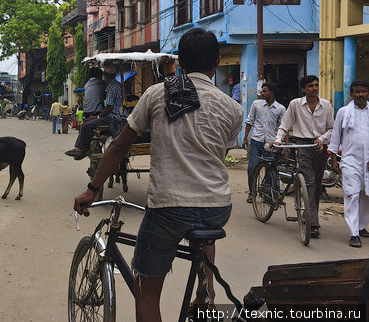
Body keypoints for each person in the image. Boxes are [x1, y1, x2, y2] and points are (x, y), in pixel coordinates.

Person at [74, 28, 243, 321]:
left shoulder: (156, 94)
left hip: (169, 206)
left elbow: (118, 147)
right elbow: (220, 151)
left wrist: (92, 188)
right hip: (217, 207)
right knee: (203, 233)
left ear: (179, 63)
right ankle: (206, 292)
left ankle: (203, 293)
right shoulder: (233, 108)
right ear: (217, 61)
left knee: (147, 291)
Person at [272, 75, 334, 239]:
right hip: (302, 146)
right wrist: (278, 141)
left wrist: (321, 140)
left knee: (317, 183)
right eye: (310, 86)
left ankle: (309, 214)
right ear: (304, 89)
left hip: (320, 147)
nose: (314, 88)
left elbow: (331, 129)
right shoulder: (295, 104)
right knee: (310, 182)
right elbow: (284, 125)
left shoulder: (326, 105)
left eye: (316, 85)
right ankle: (314, 223)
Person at [328, 80, 369, 247]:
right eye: (357, 92)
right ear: (352, 94)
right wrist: (334, 159)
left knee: (366, 196)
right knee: (352, 194)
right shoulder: (344, 112)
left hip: (367, 161)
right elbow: (336, 137)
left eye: (363, 91)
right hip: (349, 160)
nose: (360, 94)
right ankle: (354, 233)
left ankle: (361, 226)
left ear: (367, 93)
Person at [242, 83, 286, 203]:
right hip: (256, 140)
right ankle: (252, 192)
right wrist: (245, 138)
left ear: (272, 92)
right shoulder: (256, 104)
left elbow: (284, 127)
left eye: (265, 91)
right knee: (252, 167)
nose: (262, 93)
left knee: (271, 169)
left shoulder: (280, 109)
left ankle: (268, 193)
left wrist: (285, 144)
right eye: (262, 91)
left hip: (271, 142)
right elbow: (250, 120)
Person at [65, 68, 121, 161]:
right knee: (86, 122)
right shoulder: (112, 85)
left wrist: (98, 116)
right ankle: (79, 148)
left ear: (106, 76)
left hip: (113, 116)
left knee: (87, 125)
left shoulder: (111, 87)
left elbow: (109, 107)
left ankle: (85, 149)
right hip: (110, 114)